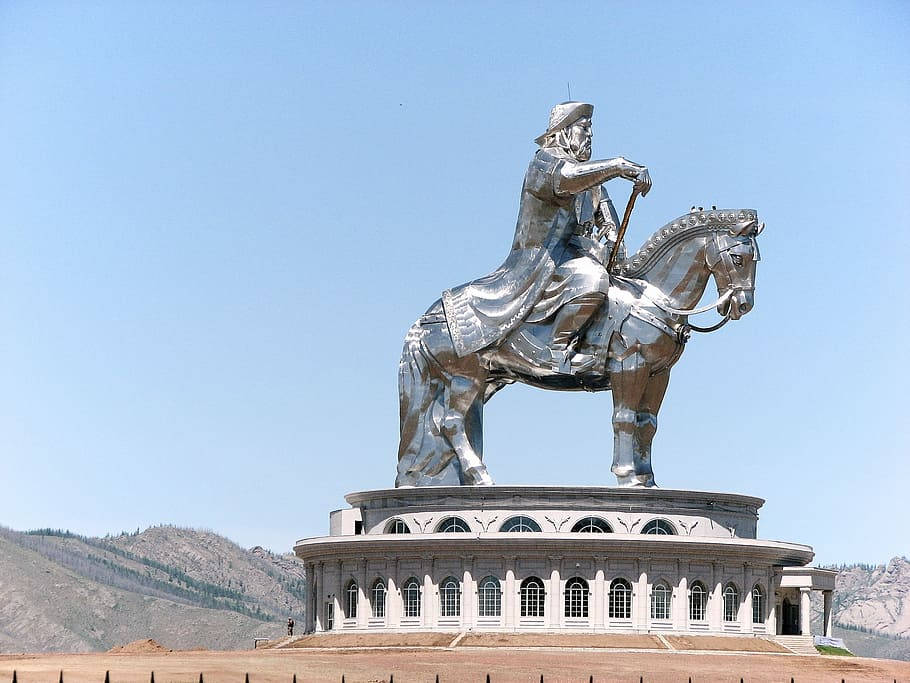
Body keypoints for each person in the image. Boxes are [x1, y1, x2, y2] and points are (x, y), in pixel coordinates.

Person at [442, 101, 651, 372]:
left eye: (591, 130)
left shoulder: (593, 181)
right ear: (563, 131)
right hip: (543, 260)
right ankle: (556, 349)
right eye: (584, 128)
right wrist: (619, 166)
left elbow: (607, 220)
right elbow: (567, 179)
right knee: (593, 278)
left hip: (579, 256)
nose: (590, 136)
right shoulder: (544, 162)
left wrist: (614, 239)